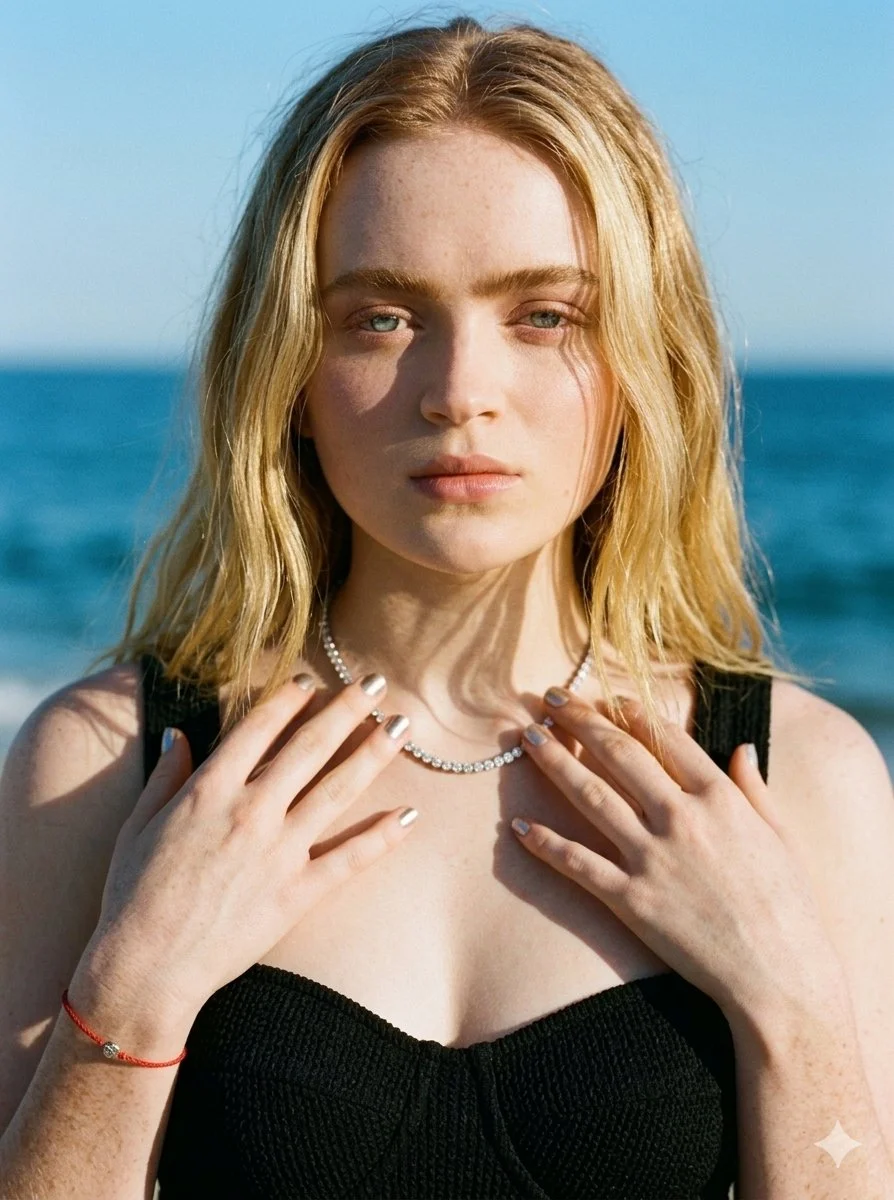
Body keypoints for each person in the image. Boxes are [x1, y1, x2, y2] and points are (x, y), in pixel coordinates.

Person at [1, 15, 892, 1200]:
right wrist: (132, 988)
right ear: (288, 369)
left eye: (545, 315)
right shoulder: (109, 767)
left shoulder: (798, 781)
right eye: (382, 315)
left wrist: (791, 1000)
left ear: (643, 356)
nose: (461, 392)